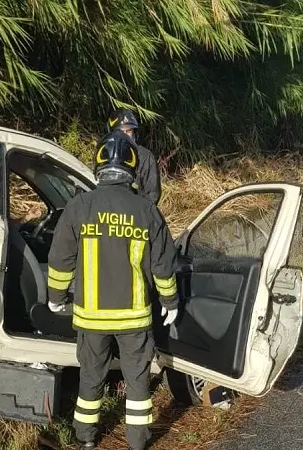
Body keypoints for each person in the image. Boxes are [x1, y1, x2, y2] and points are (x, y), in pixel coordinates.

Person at [46, 130, 179, 450]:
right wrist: (169, 300)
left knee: (90, 380)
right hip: (133, 319)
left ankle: (86, 439)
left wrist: (55, 298)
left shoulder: (79, 206)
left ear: (99, 165)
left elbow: (60, 259)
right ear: (132, 168)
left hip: (91, 318)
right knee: (137, 383)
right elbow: (163, 264)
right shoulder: (146, 210)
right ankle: (137, 442)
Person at [107, 109, 162, 205]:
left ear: (134, 132)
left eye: (128, 131)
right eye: (120, 131)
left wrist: (138, 213)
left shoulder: (145, 157)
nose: (124, 135)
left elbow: (153, 195)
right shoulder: (105, 154)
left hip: (135, 213)